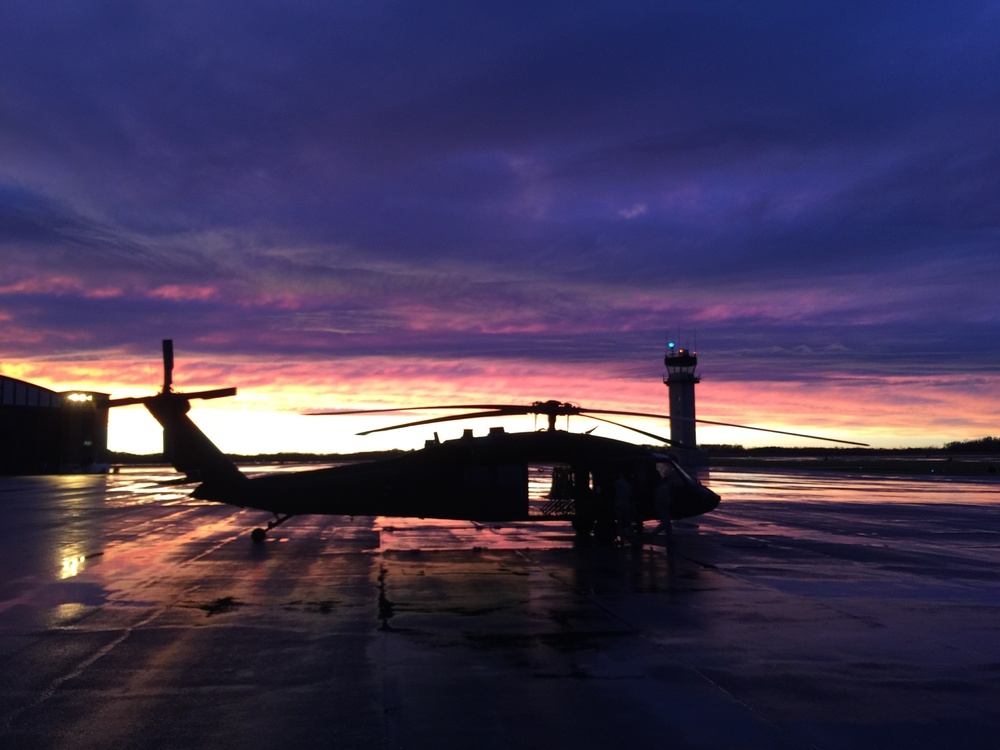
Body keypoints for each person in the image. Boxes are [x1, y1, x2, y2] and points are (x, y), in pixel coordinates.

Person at [652, 467, 675, 542]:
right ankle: (654, 534)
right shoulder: (664, 489)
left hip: (663, 508)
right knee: (666, 524)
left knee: (667, 524)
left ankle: (670, 539)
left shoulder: (663, 488)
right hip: (663, 508)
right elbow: (662, 500)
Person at [613, 473, 635, 545]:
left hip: (619, 503)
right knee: (628, 521)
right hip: (626, 504)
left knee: (620, 521)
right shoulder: (628, 485)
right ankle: (630, 535)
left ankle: (621, 536)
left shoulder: (617, 483)